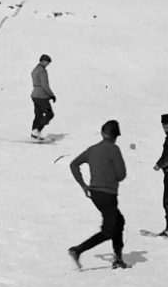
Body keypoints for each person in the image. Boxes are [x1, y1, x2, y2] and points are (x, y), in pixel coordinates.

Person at [67, 119, 130, 270]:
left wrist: (83, 185)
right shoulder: (114, 149)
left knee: (118, 221)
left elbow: (73, 164)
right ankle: (78, 250)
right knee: (109, 229)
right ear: (116, 136)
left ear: (102, 133)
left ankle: (118, 257)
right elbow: (121, 175)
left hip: (95, 194)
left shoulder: (92, 149)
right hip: (108, 195)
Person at [30, 54, 56, 140]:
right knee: (49, 114)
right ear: (43, 61)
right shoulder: (42, 71)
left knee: (38, 115)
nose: (48, 64)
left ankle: (34, 133)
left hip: (35, 95)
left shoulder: (35, 69)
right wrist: (51, 95)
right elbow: (45, 85)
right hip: (41, 96)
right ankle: (36, 130)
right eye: (47, 62)